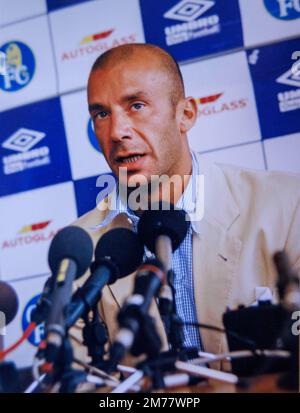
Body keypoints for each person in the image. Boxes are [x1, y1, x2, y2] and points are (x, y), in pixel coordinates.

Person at [73, 43, 300, 367]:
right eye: (102, 114)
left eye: (136, 105)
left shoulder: (288, 205)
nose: (117, 132)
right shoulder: (78, 247)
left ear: (186, 114)